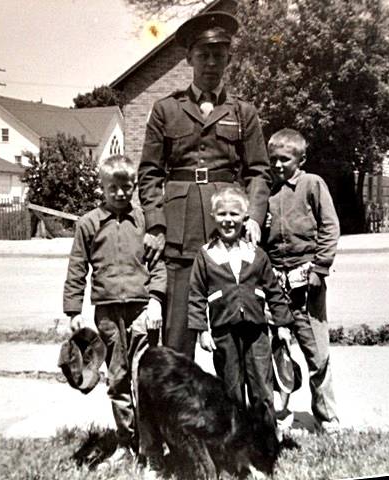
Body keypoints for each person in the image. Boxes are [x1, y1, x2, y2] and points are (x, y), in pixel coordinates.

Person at [138, 5, 272, 359]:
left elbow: (259, 171)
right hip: (180, 235)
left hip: (228, 231)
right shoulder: (165, 109)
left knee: (235, 333)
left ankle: (237, 410)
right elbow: (150, 172)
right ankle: (177, 413)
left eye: (219, 55)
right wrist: (155, 223)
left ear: (228, 59)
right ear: (189, 58)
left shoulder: (244, 112)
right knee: (178, 335)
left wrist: (254, 219)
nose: (211, 63)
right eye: (204, 55)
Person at [63, 154, 166, 465]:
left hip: (142, 311)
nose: (121, 193)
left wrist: (157, 300)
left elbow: (158, 265)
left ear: (134, 186)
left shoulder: (145, 222)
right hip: (107, 314)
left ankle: (151, 449)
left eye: (127, 187)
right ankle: (125, 444)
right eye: (114, 187)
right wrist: (73, 311)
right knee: (118, 379)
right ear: (102, 187)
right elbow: (77, 268)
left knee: (144, 378)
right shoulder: (88, 224)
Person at [188, 186, 293, 434]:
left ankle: (266, 437)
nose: (228, 220)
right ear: (214, 217)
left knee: (261, 385)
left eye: (234, 214)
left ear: (245, 216)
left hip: (256, 331)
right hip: (224, 331)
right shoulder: (206, 256)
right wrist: (202, 331)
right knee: (230, 386)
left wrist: (283, 325)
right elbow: (196, 296)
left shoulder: (256, 254)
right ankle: (234, 439)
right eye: (222, 214)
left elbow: (274, 292)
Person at [264, 128, 341, 434]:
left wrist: (320, 269)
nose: (279, 165)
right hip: (275, 283)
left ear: (301, 159)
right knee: (278, 352)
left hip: (307, 279)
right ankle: (278, 417)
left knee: (317, 354)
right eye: (274, 160)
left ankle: (327, 419)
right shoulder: (267, 192)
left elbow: (330, 226)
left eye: (285, 159)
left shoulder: (312, 184)